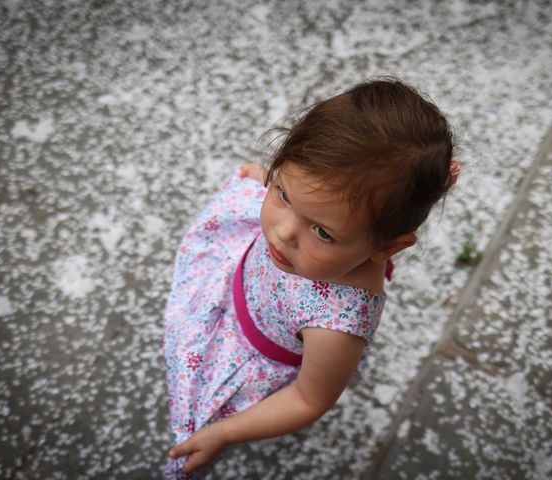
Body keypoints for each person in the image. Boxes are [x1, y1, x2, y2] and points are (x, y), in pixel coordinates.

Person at [163, 77, 461, 478]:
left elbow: (308, 398)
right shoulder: (317, 221)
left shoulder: (338, 327)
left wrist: (226, 432)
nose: (283, 233)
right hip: (235, 290)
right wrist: (266, 181)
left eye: (322, 231)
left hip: (257, 353)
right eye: (282, 192)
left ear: (387, 247)